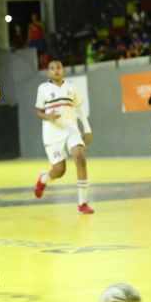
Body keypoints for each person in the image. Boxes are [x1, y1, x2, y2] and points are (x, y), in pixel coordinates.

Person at [33, 60, 94, 214]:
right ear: (48, 73)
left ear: (63, 71)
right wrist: (49, 116)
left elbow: (79, 109)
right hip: (52, 133)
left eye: (59, 67)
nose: (56, 70)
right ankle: (43, 179)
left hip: (71, 130)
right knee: (59, 170)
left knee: (80, 157)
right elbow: (39, 113)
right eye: (52, 68)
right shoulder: (43, 88)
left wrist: (87, 129)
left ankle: (82, 203)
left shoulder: (71, 87)